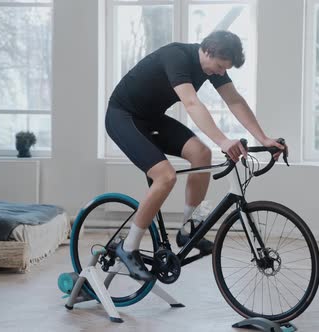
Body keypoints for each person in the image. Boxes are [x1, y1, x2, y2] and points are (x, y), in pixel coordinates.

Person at [105, 30, 285, 281]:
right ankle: (128, 248)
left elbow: (234, 100)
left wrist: (264, 139)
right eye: (221, 67)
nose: (222, 73)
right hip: (123, 116)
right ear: (208, 51)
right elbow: (191, 104)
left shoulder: (212, 65)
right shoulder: (176, 56)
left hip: (152, 119)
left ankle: (188, 230)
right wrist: (223, 140)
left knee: (201, 153)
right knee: (166, 177)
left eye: (225, 69)